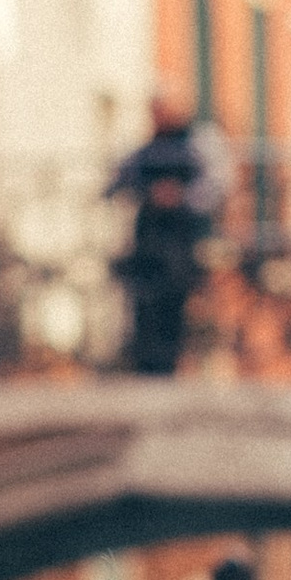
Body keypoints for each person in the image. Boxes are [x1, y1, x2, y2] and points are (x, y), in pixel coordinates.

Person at [104, 95, 224, 379]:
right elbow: (117, 183)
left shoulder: (193, 149)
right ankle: (149, 365)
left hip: (179, 242)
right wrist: (147, 192)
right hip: (149, 243)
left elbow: (213, 188)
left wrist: (180, 197)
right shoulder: (146, 151)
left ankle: (168, 362)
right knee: (146, 306)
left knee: (173, 304)